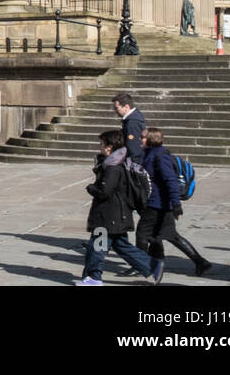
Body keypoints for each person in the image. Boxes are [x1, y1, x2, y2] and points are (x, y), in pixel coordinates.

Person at [77, 129, 162, 285]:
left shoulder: (113, 168)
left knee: (97, 247)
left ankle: (94, 278)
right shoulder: (115, 164)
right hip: (117, 216)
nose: (100, 147)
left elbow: (104, 192)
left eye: (101, 144)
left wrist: (91, 188)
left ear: (110, 147)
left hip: (107, 217)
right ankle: (153, 265)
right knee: (121, 246)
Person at [136, 128, 211, 276]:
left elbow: (171, 180)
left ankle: (144, 266)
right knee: (168, 236)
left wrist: (176, 204)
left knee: (142, 235)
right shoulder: (149, 153)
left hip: (158, 204)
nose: (140, 139)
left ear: (151, 138)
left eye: (143, 137)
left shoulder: (160, 156)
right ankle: (200, 262)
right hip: (157, 203)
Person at [112, 93, 146, 161]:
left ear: (126, 107)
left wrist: (134, 165)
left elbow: (134, 147)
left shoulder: (132, 123)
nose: (115, 110)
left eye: (116, 108)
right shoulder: (133, 118)